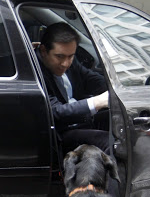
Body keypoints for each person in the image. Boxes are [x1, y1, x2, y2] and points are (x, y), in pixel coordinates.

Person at [36, 22, 110, 155]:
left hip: (80, 120)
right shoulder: (34, 71)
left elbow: (91, 78)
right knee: (109, 142)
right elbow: (55, 111)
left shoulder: (70, 59)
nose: (65, 63)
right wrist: (97, 102)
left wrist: (114, 89)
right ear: (43, 51)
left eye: (70, 56)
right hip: (61, 132)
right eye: (59, 57)